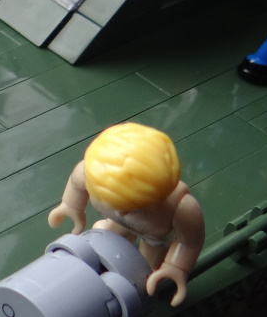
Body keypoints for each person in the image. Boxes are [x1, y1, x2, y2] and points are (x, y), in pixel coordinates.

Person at [49, 123, 205, 306]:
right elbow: (77, 185)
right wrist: (71, 207)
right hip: (116, 224)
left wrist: (175, 266)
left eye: (138, 207)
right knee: (104, 241)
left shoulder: (181, 208)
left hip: (152, 238)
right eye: (113, 204)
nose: (122, 211)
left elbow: (189, 242)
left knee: (145, 273)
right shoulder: (89, 174)